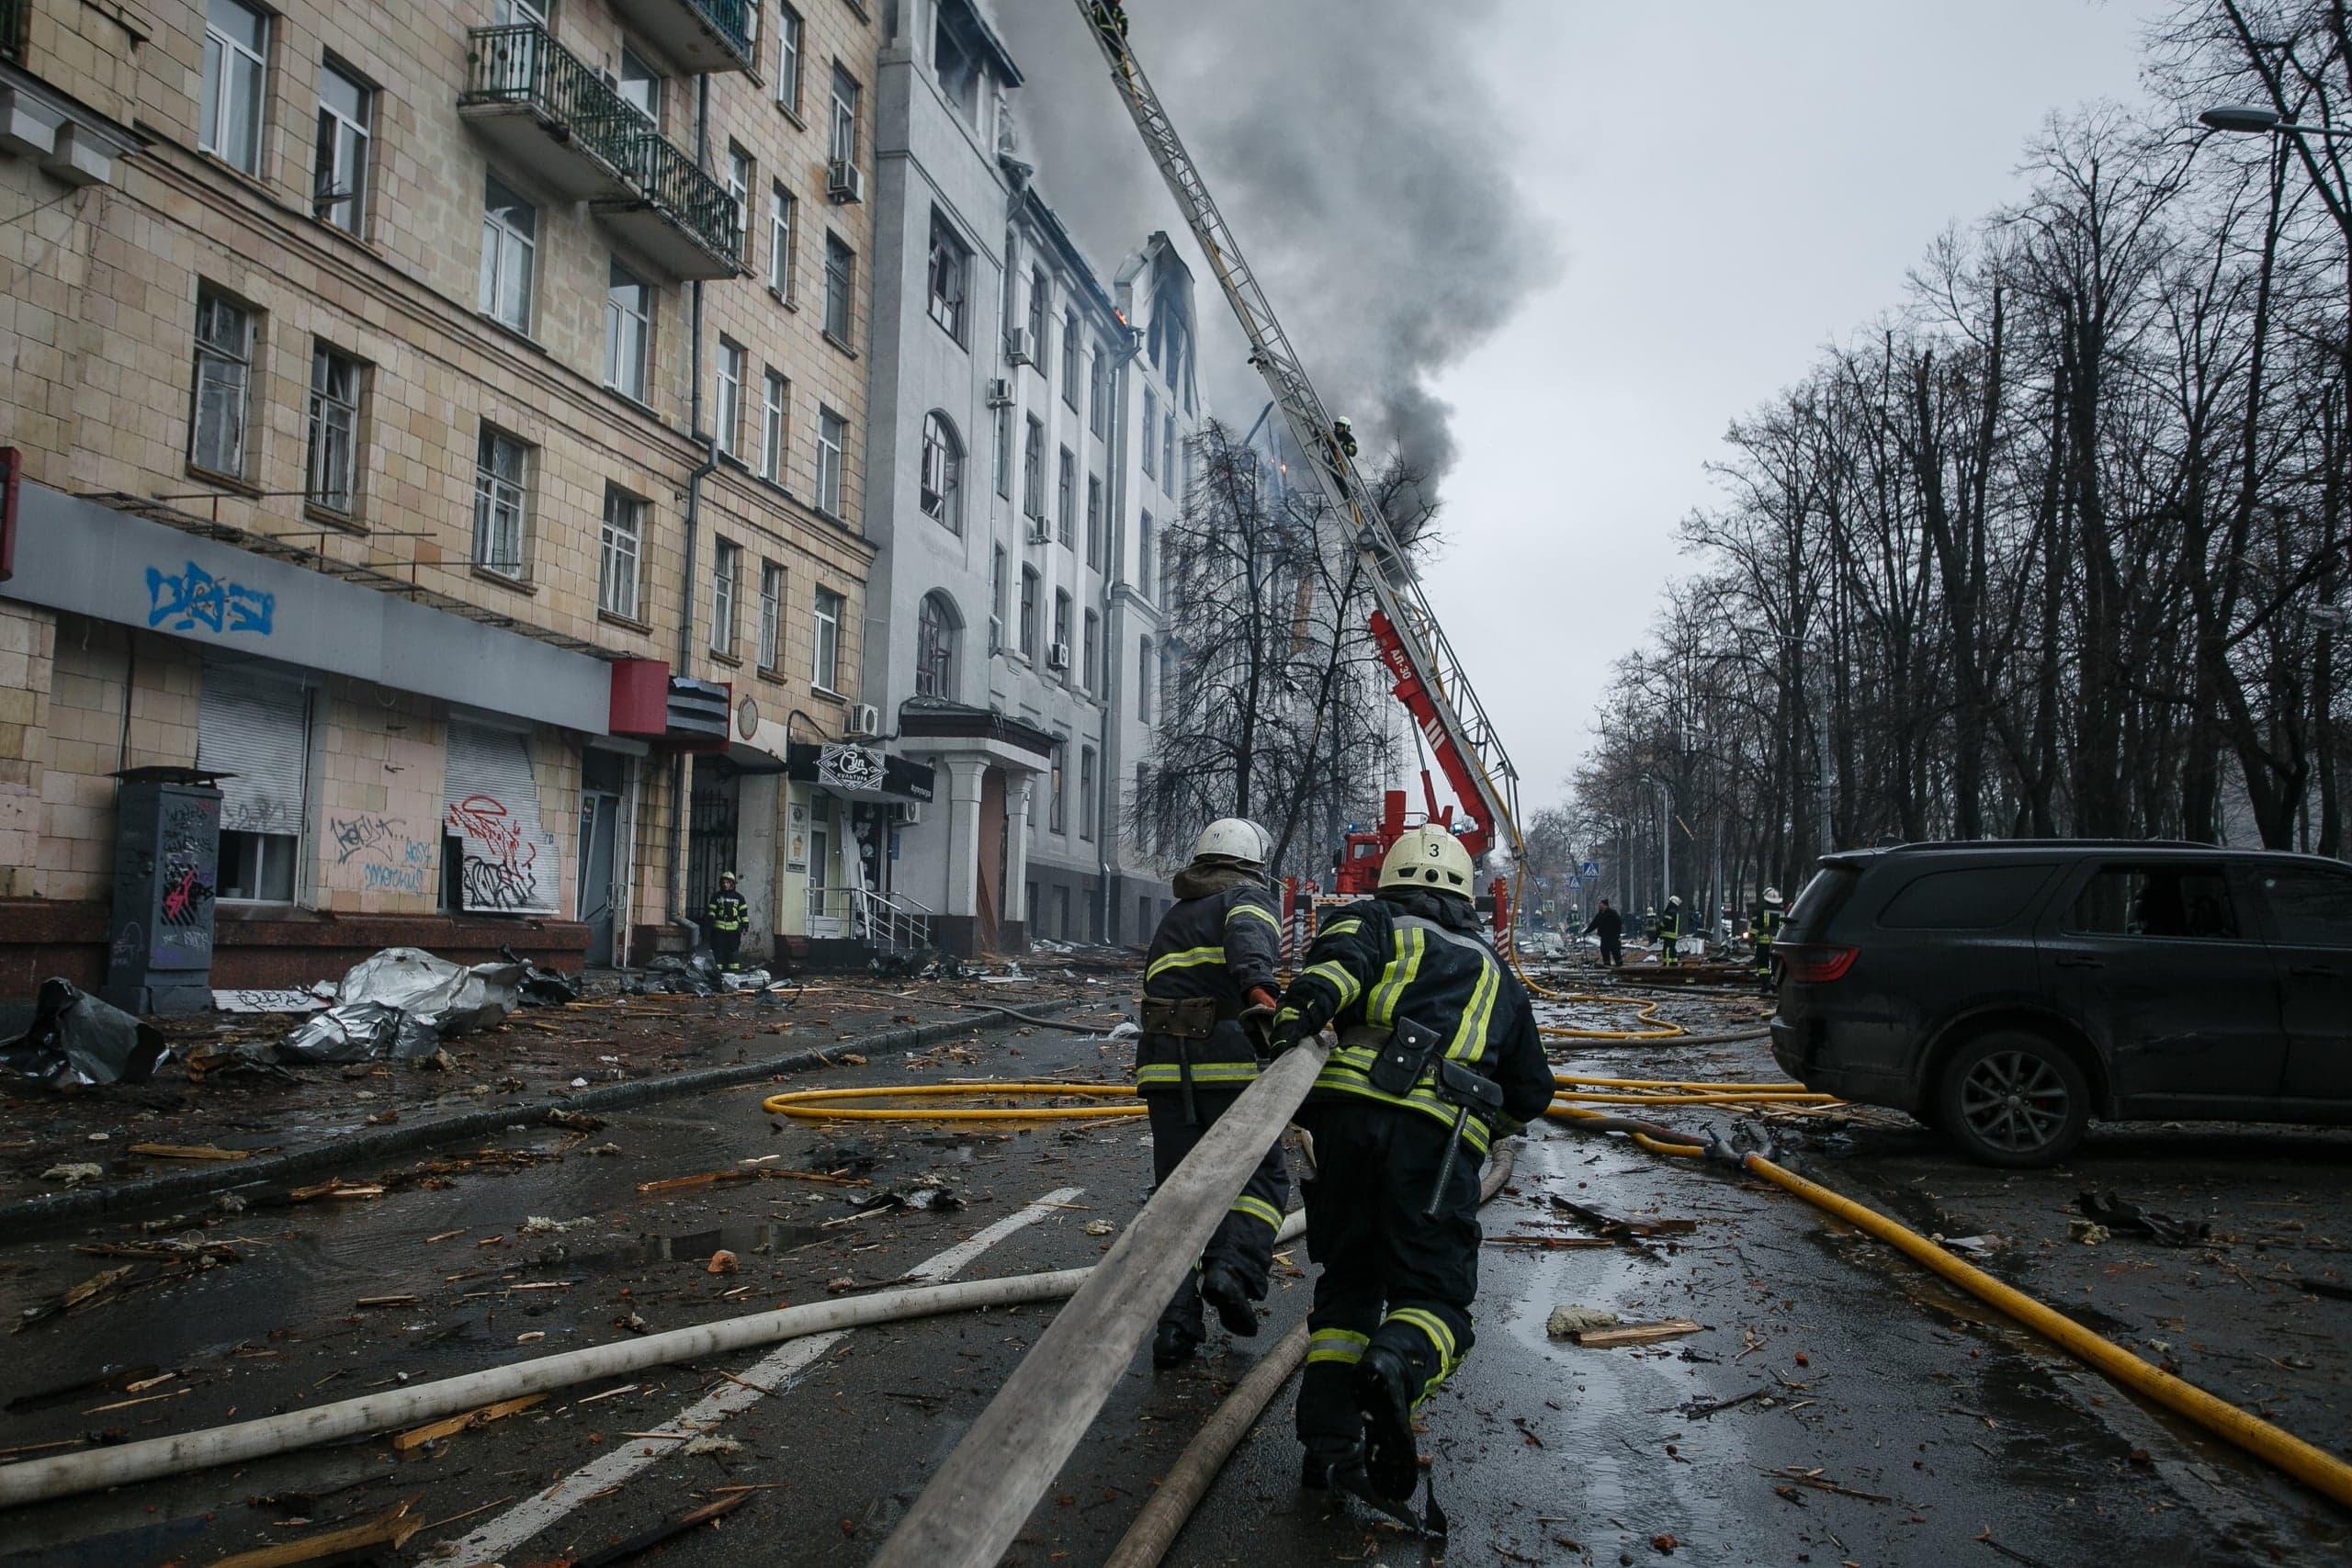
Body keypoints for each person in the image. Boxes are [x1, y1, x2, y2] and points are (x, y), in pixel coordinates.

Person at [1264, 826, 1553, 1505]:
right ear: (1466, 897)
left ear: (1391, 880)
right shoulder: (1496, 974)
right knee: (1436, 1296)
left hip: (1345, 1129)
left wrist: (1291, 1026)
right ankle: (1396, 1362)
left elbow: (1333, 971)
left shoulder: (1373, 917)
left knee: (1350, 1285)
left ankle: (1329, 1450)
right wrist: (1486, 1128)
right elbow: (1532, 1090)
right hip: (1438, 1141)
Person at [1136, 817, 1288, 1369]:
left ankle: (1175, 1328)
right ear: (1253, 863)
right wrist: (1268, 1005)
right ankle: (1232, 1268)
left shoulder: (1176, 917)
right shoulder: (1247, 898)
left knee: (1174, 1198)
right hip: (1226, 1066)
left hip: (1163, 1074)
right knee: (1262, 1175)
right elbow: (1251, 955)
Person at [705, 871, 749, 971]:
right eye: (724, 882)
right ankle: (718, 973)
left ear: (732, 883)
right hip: (719, 929)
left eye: (728, 882)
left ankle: (734, 973)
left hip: (733, 930)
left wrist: (745, 925)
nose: (725, 884)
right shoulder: (716, 896)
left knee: (733, 952)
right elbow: (711, 910)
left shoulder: (739, 898)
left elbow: (743, 914)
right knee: (718, 951)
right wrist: (711, 917)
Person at [1753, 886, 1784, 994]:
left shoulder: (1760, 910)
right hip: (1777, 943)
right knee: (1776, 965)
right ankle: (1775, 984)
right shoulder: (1782, 911)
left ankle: (1765, 984)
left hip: (1763, 942)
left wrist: (1752, 938)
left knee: (1763, 965)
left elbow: (1754, 927)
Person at [1584, 897, 1623, 967]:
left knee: (1615, 950)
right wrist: (1586, 931)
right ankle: (1607, 965)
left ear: (1605, 905)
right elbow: (1594, 924)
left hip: (1613, 936)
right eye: (1599, 905)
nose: (1600, 906)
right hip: (1604, 937)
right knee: (1604, 950)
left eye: (1601, 905)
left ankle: (1619, 964)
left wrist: (1617, 934)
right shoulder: (1599, 915)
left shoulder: (1612, 913)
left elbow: (1619, 923)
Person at [1658, 894, 1685, 967]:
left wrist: (1658, 930)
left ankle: (1667, 965)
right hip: (1672, 935)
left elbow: (1665, 923)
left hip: (1668, 935)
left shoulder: (1670, 912)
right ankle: (1674, 964)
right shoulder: (1675, 912)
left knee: (1667, 950)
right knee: (1672, 950)